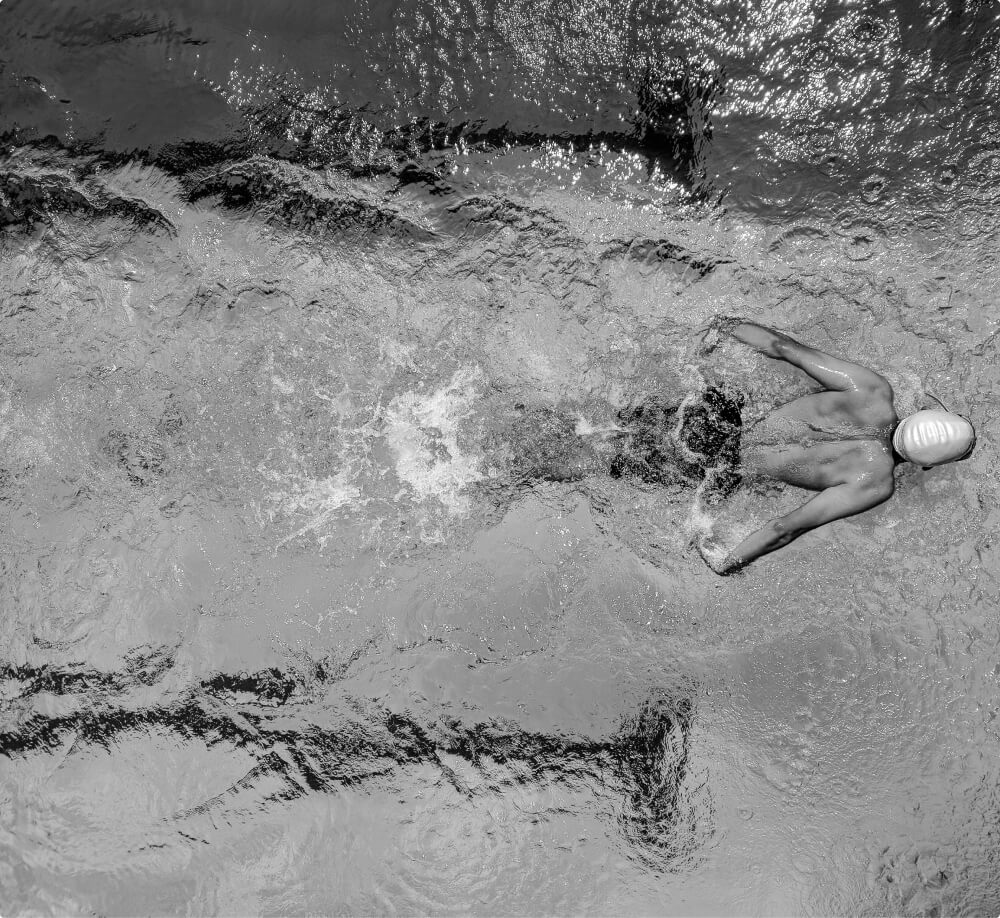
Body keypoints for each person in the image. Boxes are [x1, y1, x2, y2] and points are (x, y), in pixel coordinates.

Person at [695, 318, 976, 575]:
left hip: (718, 418)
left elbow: (782, 347)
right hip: (718, 470)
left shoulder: (872, 389)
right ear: (926, 465)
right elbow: (785, 528)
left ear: (924, 411)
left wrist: (724, 327)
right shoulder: (875, 484)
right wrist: (727, 563)